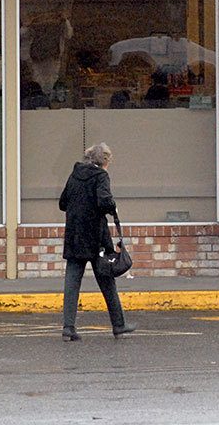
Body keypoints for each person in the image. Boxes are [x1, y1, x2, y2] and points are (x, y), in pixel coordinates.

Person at [58, 142, 136, 341]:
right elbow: (104, 201)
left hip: (75, 234)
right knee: (107, 280)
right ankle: (119, 325)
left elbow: (62, 203)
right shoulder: (101, 176)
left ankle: (68, 327)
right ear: (105, 160)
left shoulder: (75, 174)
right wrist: (113, 207)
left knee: (72, 282)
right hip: (95, 236)